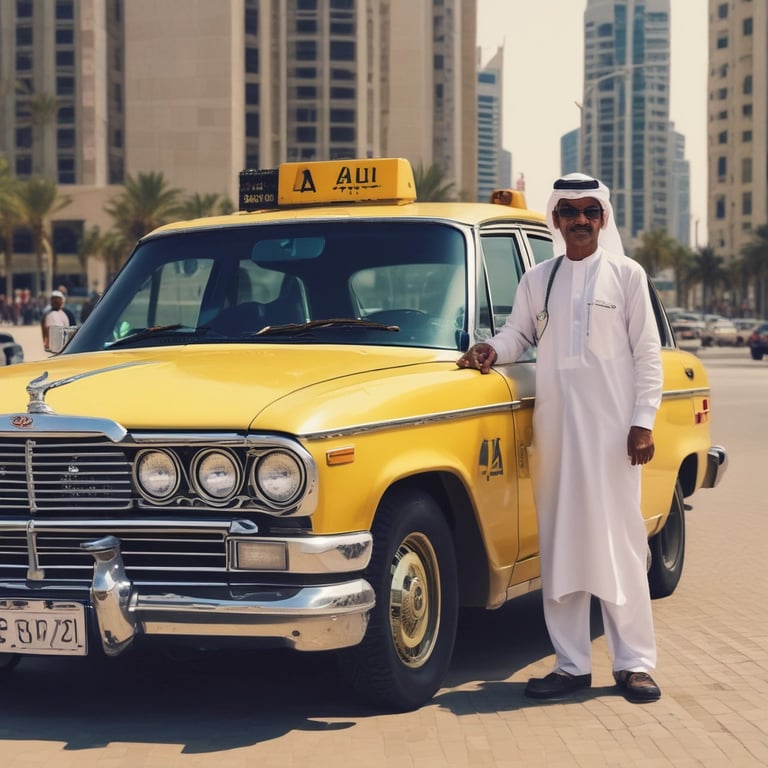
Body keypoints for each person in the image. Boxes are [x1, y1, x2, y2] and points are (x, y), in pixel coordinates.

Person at [457, 173, 663, 704]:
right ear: (554, 218)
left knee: (620, 547)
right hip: (555, 438)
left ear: (603, 218)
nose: (578, 220)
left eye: (589, 211)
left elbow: (648, 354)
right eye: (567, 211)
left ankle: (634, 664)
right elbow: (517, 335)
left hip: (615, 438)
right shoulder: (539, 279)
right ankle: (570, 666)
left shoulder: (626, 275)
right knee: (561, 549)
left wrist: (643, 420)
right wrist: (489, 351)